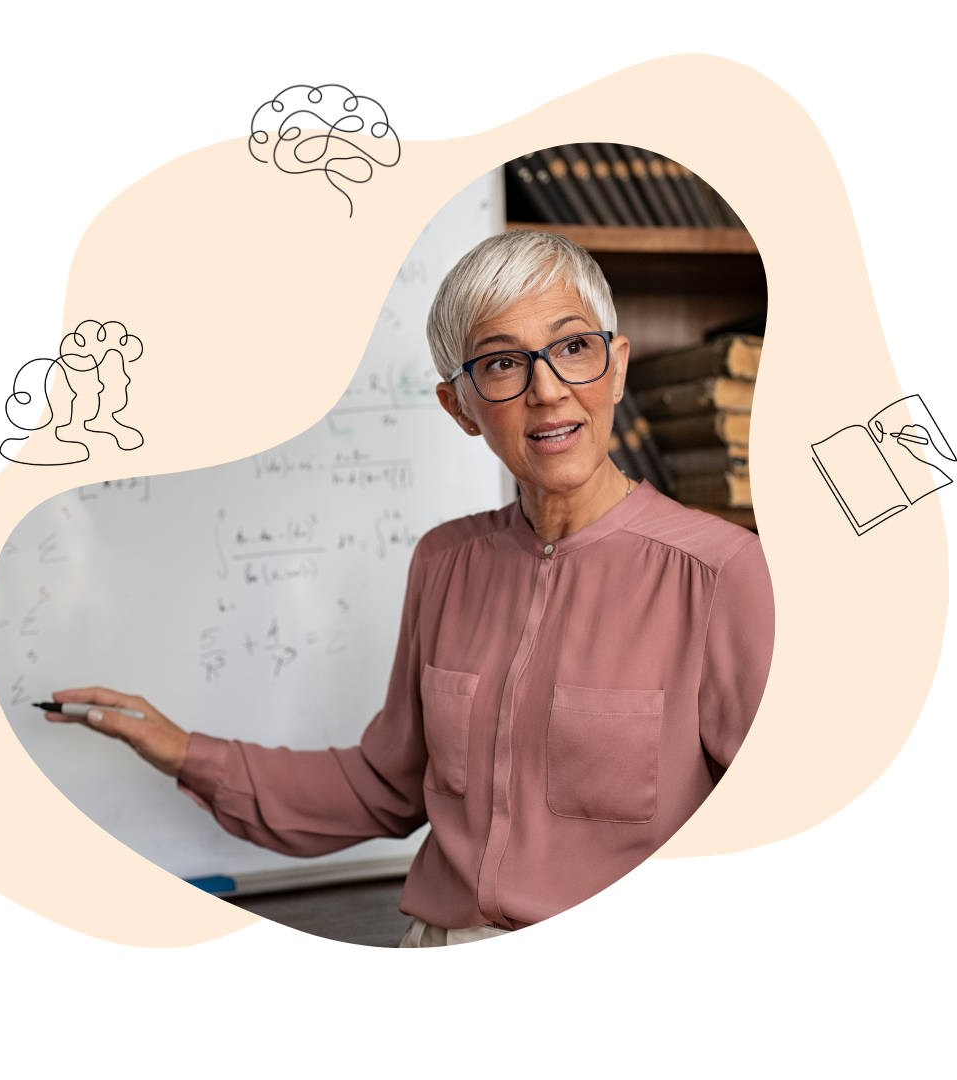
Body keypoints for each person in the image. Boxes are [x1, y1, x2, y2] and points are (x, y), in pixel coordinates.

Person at [48, 230, 775, 947]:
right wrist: (180, 749)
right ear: (460, 406)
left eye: (573, 348)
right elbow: (385, 788)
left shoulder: (724, 574)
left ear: (617, 368)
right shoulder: (445, 562)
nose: (547, 389)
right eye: (501, 364)